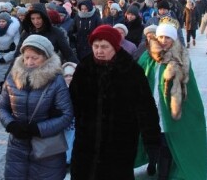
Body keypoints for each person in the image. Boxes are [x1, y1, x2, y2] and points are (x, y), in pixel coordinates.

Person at [69, 25, 161, 179]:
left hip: (119, 145)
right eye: (95, 46)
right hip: (86, 144)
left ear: (115, 47)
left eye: (105, 47)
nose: (99, 51)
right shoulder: (84, 68)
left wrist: (151, 141)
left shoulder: (131, 71)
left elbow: (146, 109)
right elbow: (71, 102)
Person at [137, 18, 207, 179]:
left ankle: (163, 174)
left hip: (167, 113)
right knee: (150, 142)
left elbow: (190, 91)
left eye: (168, 38)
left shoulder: (180, 59)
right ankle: (151, 164)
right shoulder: (148, 57)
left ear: (174, 39)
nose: (163, 41)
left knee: (165, 145)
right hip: (149, 110)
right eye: (161, 37)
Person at [0, 35, 73, 179]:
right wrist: (11, 124)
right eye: (26, 57)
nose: (29, 62)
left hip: (47, 150)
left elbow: (66, 115)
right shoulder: (12, 77)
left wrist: (39, 129)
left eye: (35, 58)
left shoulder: (56, 81)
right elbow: (1, 108)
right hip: (17, 147)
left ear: (46, 58)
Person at [62, 61, 77, 167]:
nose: (69, 78)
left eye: (71, 75)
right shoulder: (60, 91)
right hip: (65, 127)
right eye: (66, 75)